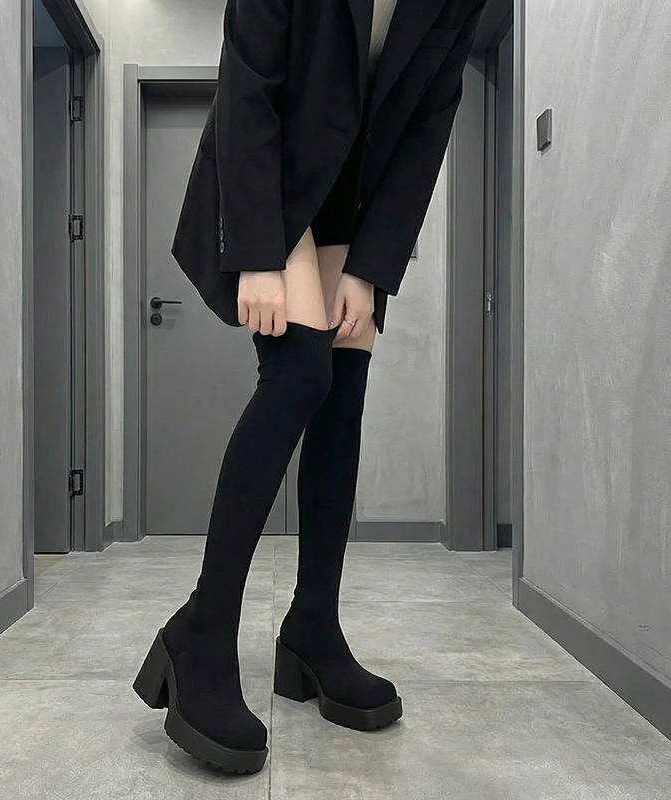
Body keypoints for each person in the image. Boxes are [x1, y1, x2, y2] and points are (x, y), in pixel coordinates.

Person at [134, 0, 488, 775]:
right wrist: (258, 252)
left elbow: (428, 122)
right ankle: (203, 634)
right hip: (272, 179)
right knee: (299, 374)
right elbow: (250, 81)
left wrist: (371, 265)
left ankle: (312, 629)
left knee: (344, 387)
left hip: (356, 196)